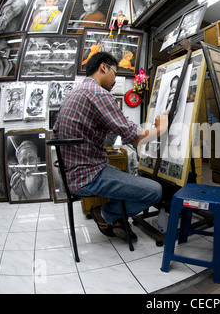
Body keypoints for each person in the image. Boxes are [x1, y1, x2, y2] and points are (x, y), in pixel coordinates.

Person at [53, 52, 168, 240]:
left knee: (121, 172)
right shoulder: (98, 93)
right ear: (104, 67)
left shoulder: (74, 93)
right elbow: (136, 138)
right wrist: (160, 129)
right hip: (88, 176)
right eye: (115, 72)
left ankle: (116, 219)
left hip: (71, 174)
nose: (116, 80)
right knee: (155, 191)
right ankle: (106, 214)